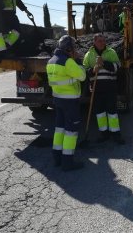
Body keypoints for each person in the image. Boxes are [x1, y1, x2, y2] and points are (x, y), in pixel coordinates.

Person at [46, 35, 86, 171]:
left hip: (58, 99)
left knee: (59, 129)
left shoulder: (51, 61)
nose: (75, 50)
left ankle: (57, 157)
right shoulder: (68, 62)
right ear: (69, 48)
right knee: (71, 131)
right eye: (74, 47)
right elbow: (82, 76)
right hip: (70, 101)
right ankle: (67, 162)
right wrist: (78, 61)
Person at [83, 33, 124, 144]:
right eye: (99, 41)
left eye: (103, 40)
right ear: (94, 42)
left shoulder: (111, 52)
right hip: (96, 89)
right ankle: (104, 133)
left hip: (110, 87)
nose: (102, 43)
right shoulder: (88, 55)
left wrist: (104, 63)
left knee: (112, 112)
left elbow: (118, 67)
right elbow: (84, 71)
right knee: (100, 112)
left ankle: (115, 134)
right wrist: (93, 70)